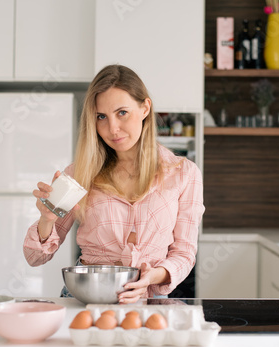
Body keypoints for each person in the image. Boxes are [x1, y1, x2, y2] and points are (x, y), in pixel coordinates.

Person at [23, 64, 205, 304]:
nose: (112, 129)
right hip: (85, 300)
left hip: (149, 301)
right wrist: (47, 220)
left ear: (144, 108)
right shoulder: (79, 174)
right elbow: (35, 258)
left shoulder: (183, 174)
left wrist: (152, 277)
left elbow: (183, 253)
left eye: (122, 113)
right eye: (101, 117)